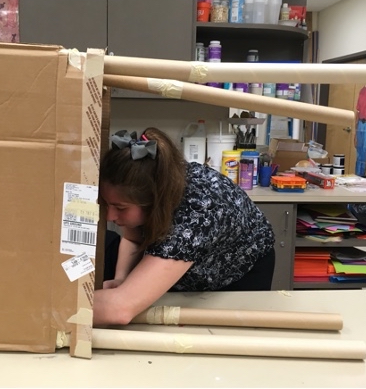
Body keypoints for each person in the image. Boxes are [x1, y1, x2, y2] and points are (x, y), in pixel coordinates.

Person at [93, 127, 275, 326]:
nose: (110, 216)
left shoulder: (196, 214)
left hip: (237, 269)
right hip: (188, 251)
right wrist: (122, 280)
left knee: (220, 334)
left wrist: (58, 308)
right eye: (107, 204)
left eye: (120, 207)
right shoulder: (154, 178)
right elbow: (133, 237)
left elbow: (120, 309)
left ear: (154, 203)